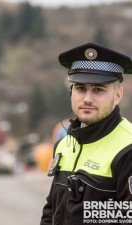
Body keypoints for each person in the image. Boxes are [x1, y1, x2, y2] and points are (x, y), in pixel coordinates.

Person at [40, 43, 132, 225]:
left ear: (118, 95)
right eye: (81, 88)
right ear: (71, 92)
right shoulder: (64, 144)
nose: (87, 98)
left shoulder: (127, 148)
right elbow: (51, 209)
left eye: (98, 89)